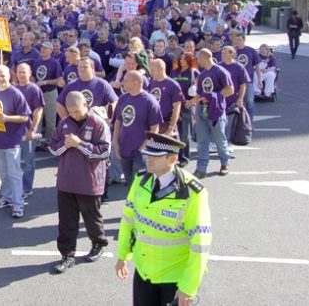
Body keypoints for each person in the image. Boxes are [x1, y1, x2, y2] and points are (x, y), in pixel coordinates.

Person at [115, 132, 211, 306]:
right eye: (148, 154)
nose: (148, 159)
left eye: (155, 156)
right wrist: (122, 256)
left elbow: (200, 243)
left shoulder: (192, 193)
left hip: (174, 278)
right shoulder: (140, 180)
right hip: (144, 274)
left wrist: (189, 287)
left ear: (172, 159)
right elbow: (128, 222)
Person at [50, 91, 111, 274]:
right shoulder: (64, 123)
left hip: (89, 182)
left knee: (92, 218)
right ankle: (67, 254)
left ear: (86, 104)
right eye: (71, 112)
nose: (74, 115)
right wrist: (66, 145)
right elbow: (53, 148)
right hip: (66, 181)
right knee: (66, 221)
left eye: (77, 110)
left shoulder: (98, 123)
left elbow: (104, 152)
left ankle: (98, 243)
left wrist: (80, 144)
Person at [0, 65, 31, 218]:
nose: (1, 78)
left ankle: (18, 204)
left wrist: (7, 118)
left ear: (9, 76)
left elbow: (25, 117)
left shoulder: (15, 93)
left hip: (12, 140)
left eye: (3, 75)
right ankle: (6, 197)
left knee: (14, 174)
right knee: (4, 172)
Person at [113, 71, 162, 183]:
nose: (122, 83)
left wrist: (142, 149)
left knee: (140, 183)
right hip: (124, 149)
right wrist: (116, 144)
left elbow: (155, 129)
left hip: (140, 152)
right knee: (129, 182)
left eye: (125, 81)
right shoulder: (123, 98)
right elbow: (118, 122)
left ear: (135, 83)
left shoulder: (150, 102)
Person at [191, 49, 233, 178]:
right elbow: (199, 93)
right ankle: (201, 168)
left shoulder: (220, 71)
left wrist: (213, 97)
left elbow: (230, 90)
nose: (197, 61)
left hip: (216, 110)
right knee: (202, 140)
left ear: (204, 57)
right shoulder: (202, 75)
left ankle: (224, 163)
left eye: (198, 58)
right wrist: (194, 109)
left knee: (219, 138)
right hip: (202, 110)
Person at [14, 63, 44, 199]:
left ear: (29, 73)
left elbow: (38, 110)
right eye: (19, 72)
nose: (21, 74)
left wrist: (32, 129)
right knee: (15, 162)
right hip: (14, 132)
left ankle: (27, 188)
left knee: (28, 162)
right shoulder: (14, 89)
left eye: (24, 72)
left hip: (27, 131)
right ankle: (16, 186)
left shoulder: (34, 89)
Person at [170, 52, 200, 167]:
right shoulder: (174, 71)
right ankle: (173, 156)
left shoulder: (194, 72)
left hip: (187, 106)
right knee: (172, 131)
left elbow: (199, 90)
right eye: (180, 59)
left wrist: (192, 102)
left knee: (184, 133)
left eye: (184, 59)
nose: (181, 61)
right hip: (174, 105)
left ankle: (184, 157)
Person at [32, 41, 63, 141]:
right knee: (38, 118)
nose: (43, 50)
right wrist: (33, 83)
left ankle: (50, 142)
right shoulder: (37, 62)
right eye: (42, 48)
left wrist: (45, 82)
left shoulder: (54, 63)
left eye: (45, 48)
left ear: (50, 50)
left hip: (50, 93)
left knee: (51, 119)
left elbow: (59, 79)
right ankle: (37, 141)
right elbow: (32, 75)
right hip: (38, 93)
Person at [148, 59, 184, 137]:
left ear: (161, 69)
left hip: (166, 124)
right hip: (154, 124)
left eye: (153, 70)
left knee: (167, 149)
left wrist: (171, 128)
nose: (151, 73)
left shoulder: (173, 85)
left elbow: (177, 108)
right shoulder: (152, 83)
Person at [233, 33, 260, 121]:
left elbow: (257, 66)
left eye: (240, 40)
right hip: (235, 81)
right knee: (236, 102)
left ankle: (250, 122)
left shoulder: (251, 51)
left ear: (244, 40)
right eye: (236, 40)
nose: (238, 42)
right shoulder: (232, 51)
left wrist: (259, 80)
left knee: (250, 101)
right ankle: (238, 123)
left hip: (248, 81)